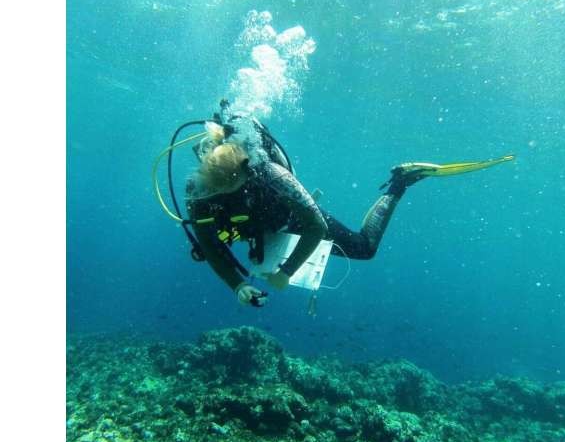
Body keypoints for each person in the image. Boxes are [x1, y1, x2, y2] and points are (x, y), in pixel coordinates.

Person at [182, 108, 513, 307]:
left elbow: (316, 226)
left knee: (364, 248)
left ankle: (401, 182)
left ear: (246, 170)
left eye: (228, 185)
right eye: (216, 187)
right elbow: (209, 244)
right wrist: (237, 286)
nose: (220, 192)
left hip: (287, 220)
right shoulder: (198, 190)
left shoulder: (272, 175)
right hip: (256, 230)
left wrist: (286, 273)